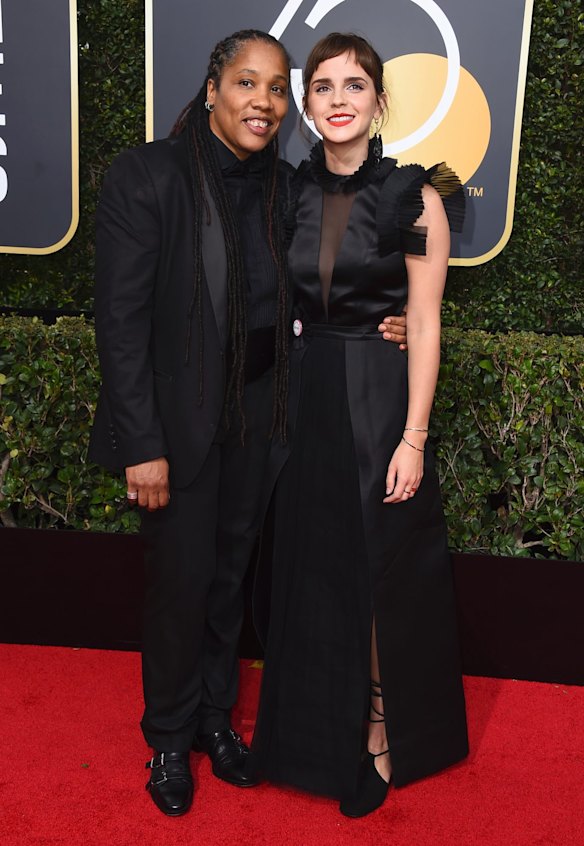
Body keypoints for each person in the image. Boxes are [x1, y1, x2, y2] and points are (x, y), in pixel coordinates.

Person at [88, 29, 406, 817]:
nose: (262, 101)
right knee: (180, 586)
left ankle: (213, 720)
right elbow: (120, 324)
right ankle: (168, 738)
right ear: (212, 90)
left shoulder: (284, 186)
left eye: (275, 88)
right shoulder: (150, 175)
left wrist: (387, 319)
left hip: (262, 417)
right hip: (178, 429)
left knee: (230, 580)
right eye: (245, 83)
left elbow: (336, 270)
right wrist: (142, 445)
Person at [251, 33, 469, 818]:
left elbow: (425, 320)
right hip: (304, 392)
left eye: (354, 85)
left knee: (378, 565)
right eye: (322, 86)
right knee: (309, 565)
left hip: (377, 396)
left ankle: (381, 731)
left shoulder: (415, 194)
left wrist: (413, 437)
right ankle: (305, 737)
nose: (338, 99)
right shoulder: (286, 192)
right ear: (305, 106)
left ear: (379, 100)